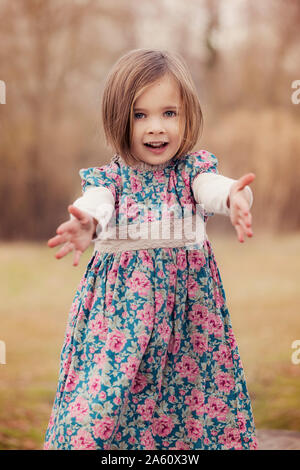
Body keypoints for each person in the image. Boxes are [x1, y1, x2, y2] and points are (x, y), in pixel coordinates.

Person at [44, 49, 258, 450]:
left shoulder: (192, 173)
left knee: (194, 404)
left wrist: (235, 196)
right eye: (140, 115)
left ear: (187, 115)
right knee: (100, 406)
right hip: (120, 322)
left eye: (169, 113)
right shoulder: (111, 180)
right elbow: (97, 204)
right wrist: (86, 223)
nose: (156, 128)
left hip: (188, 322)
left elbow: (214, 189)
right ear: (118, 119)